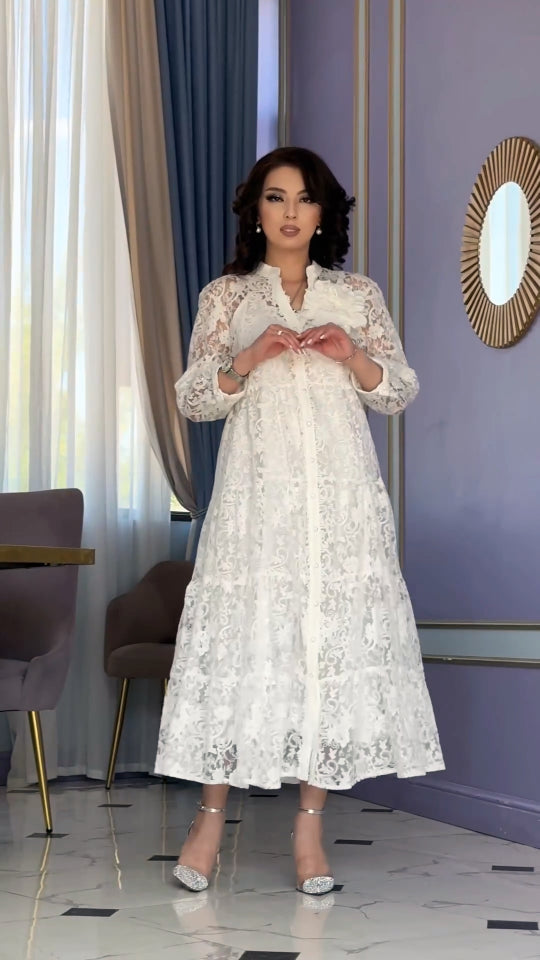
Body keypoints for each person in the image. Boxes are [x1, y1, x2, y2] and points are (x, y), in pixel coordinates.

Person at [155, 146, 444, 895]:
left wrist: (352, 355)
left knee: (328, 649)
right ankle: (207, 821)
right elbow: (194, 398)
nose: (290, 212)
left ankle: (310, 828)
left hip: (341, 505)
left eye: (305, 198)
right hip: (255, 503)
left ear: (323, 214)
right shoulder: (226, 296)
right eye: (276, 197)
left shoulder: (357, 295)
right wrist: (247, 359)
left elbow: (398, 390)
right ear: (256, 210)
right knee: (242, 644)